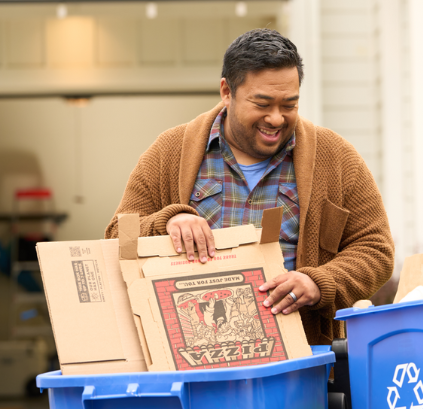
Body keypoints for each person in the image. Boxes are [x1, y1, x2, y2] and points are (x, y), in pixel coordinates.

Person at [105, 29, 394, 345]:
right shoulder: (169, 152)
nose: (276, 118)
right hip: (192, 358)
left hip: (302, 359)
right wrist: (168, 221)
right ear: (226, 91)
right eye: (262, 103)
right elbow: (117, 237)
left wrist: (318, 282)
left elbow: (375, 248)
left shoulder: (336, 158)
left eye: (289, 104)